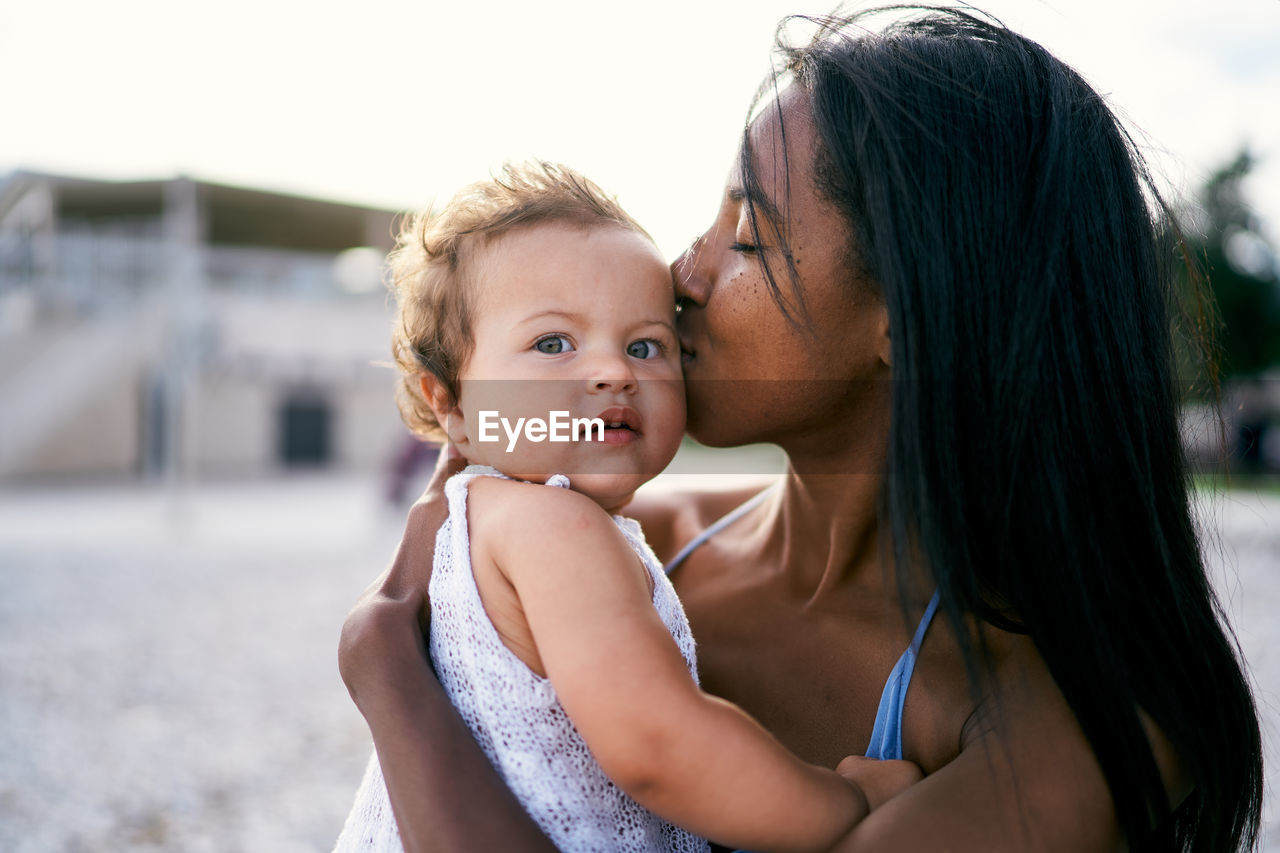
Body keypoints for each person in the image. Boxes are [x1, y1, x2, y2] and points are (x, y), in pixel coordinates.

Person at [338, 8, 1264, 852]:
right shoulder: (634, 538)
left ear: (906, 316)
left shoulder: (1074, 718)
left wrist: (387, 674)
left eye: (745, 238)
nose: (680, 272)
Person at [334, 161, 921, 853]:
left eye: (646, 345)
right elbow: (658, 742)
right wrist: (845, 797)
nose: (614, 371)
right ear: (452, 406)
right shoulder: (555, 527)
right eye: (553, 343)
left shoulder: (488, 521)